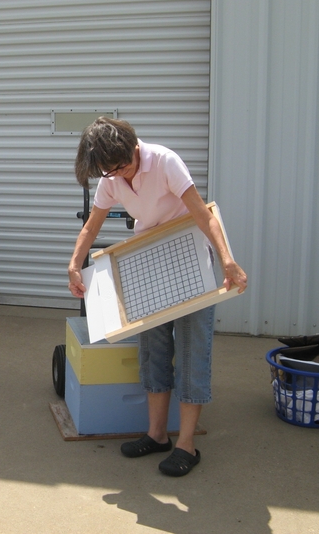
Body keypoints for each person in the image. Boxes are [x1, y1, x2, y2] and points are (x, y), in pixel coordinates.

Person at [67, 117, 248, 477]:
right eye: (108, 172)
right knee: (153, 349)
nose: (117, 175)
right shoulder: (112, 178)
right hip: (147, 258)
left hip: (189, 255)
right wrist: (74, 263)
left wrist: (228, 261)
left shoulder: (165, 161)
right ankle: (156, 434)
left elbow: (202, 213)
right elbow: (92, 224)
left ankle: (186, 444)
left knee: (194, 349)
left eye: (121, 166)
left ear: (134, 148)